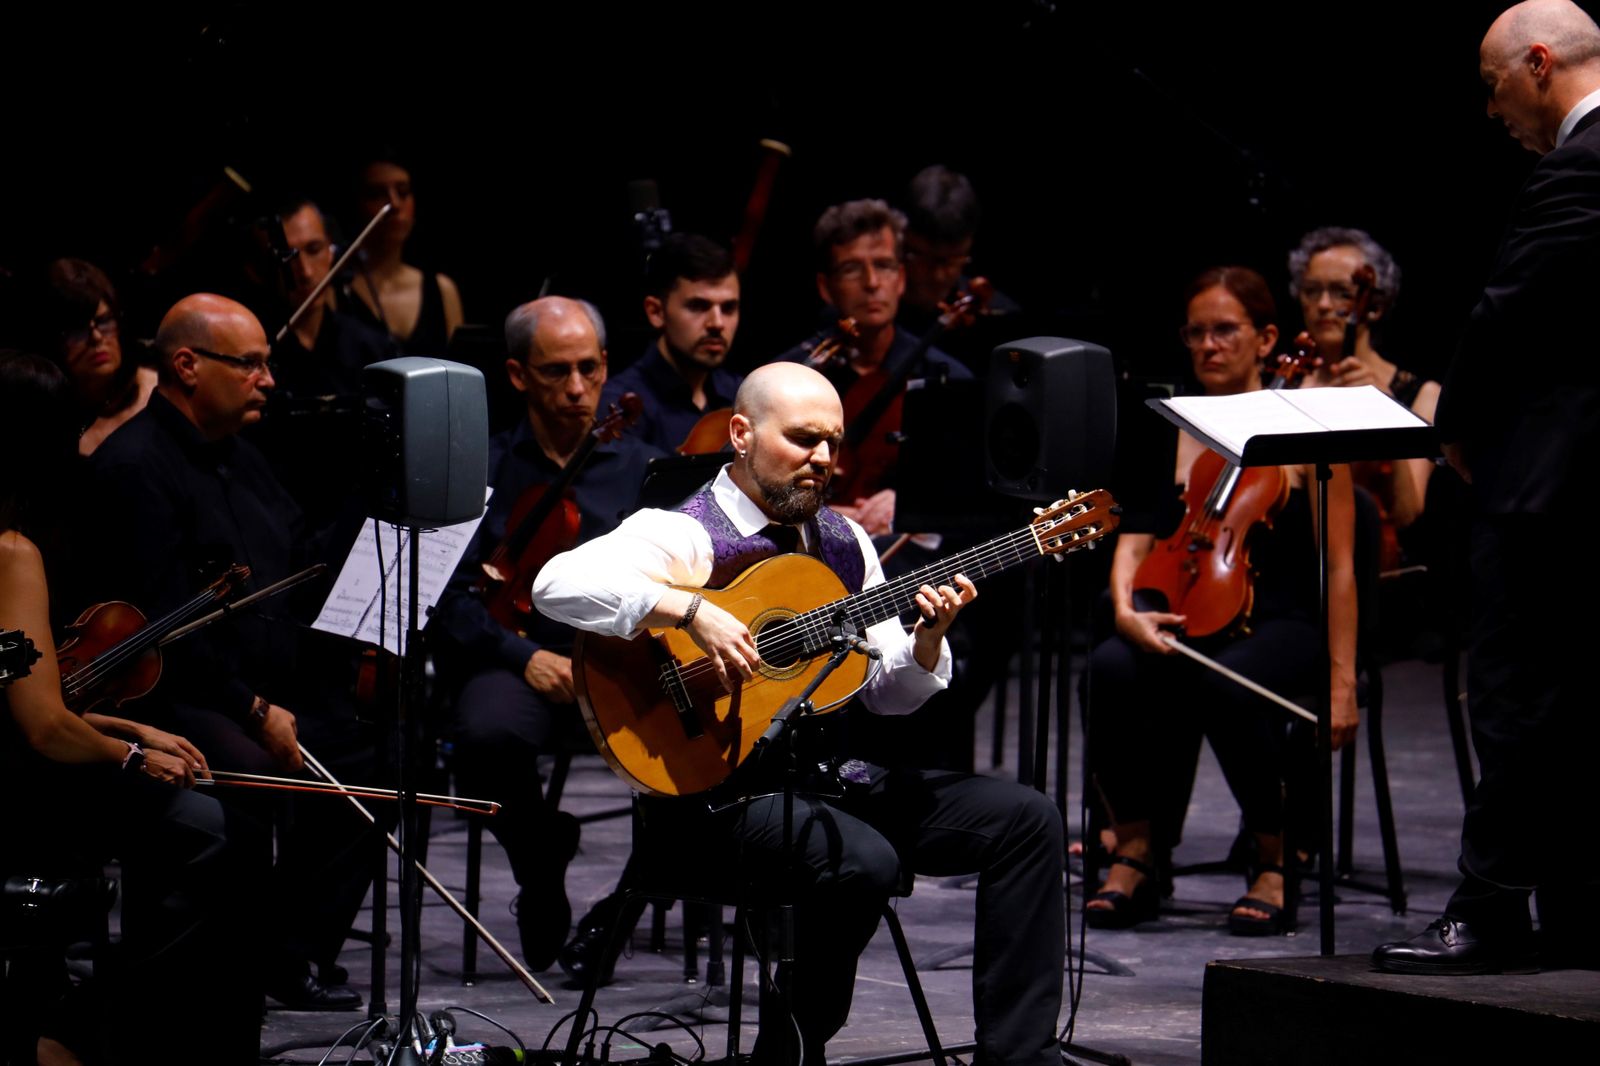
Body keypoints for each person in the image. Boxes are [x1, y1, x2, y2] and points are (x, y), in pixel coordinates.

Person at [534, 361, 1064, 1066]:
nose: (823, 459)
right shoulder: (688, 532)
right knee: (862, 862)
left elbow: (886, 696)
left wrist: (926, 641)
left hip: (818, 781)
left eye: (834, 443)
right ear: (742, 435)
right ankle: (786, 1049)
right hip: (707, 802)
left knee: (1026, 820)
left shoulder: (844, 544)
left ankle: (1020, 1059)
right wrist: (689, 609)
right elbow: (555, 584)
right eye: (804, 439)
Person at [1374, 0, 1600, 975]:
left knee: (1515, 699)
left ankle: (1492, 909)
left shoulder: (1579, 168)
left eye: (1492, 82)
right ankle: (1578, 907)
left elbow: (1505, 314)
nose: (1489, 106)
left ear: (1538, 64)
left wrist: (1452, 426)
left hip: (1551, 487)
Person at [78, 294, 380, 1009]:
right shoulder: (136, 468)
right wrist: (254, 709)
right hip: (179, 696)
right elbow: (161, 632)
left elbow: (300, 564)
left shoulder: (246, 458)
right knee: (245, 779)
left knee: (376, 755)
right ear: (186, 365)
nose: (269, 381)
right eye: (250, 365)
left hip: (267, 685)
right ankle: (216, 977)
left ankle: (289, 951)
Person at [1084, 266, 1359, 936]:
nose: (1207, 346)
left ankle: (1274, 855)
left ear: (1266, 339)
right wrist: (1126, 609)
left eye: (1225, 331)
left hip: (1280, 619)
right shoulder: (1170, 424)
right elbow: (1138, 535)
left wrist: (1343, 678)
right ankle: (1140, 848)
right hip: (1183, 607)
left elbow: (1342, 564)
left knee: (1229, 687)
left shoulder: (1307, 425)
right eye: (1196, 333)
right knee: (1110, 667)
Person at [0, 350, 257, 1064]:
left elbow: (25, 696)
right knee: (208, 830)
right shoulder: (11, 551)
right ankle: (108, 1029)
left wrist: (131, 725)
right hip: (19, 790)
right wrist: (135, 756)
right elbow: (44, 727)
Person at [432, 296, 664, 970]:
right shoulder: (482, 469)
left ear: (606, 367)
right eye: (555, 371)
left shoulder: (645, 470)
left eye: (588, 369)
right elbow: (448, 594)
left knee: (703, 740)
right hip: (518, 657)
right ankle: (539, 856)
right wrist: (523, 655)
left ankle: (619, 913)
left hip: (620, 658)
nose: (575, 389)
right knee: (481, 738)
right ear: (516, 375)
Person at [775, 198, 969, 538]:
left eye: (884, 266)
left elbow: (964, 490)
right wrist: (824, 514)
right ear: (825, 287)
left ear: (901, 278)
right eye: (852, 269)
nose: (871, 283)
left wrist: (907, 502)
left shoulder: (947, 377)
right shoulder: (789, 378)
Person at [243, 198, 396, 540]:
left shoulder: (370, 346)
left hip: (363, 525)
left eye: (314, 250)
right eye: (289, 257)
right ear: (256, 269)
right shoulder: (249, 354)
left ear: (332, 251)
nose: (305, 271)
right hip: (273, 527)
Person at [1289, 226, 1436, 562]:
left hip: (1377, 572)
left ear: (1376, 305)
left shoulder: (1420, 394)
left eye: (1342, 292)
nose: (1324, 305)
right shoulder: (1289, 385)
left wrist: (1383, 408)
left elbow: (1407, 510)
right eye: (1311, 291)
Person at [600, 232, 744, 452]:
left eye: (728, 308)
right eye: (698, 306)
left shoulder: (741, 394)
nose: (717, 323)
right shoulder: (617, 406)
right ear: (656, 312)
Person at [343, 155, 464, 355]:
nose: (394, 204)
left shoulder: (443, 290)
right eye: (377, 194)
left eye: (403, 192)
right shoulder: (335, 291)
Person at [35, 259, 157, 455]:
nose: (96, 338)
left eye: (104, 321)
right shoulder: (50, 427)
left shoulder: (161, 391)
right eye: (78, 329)